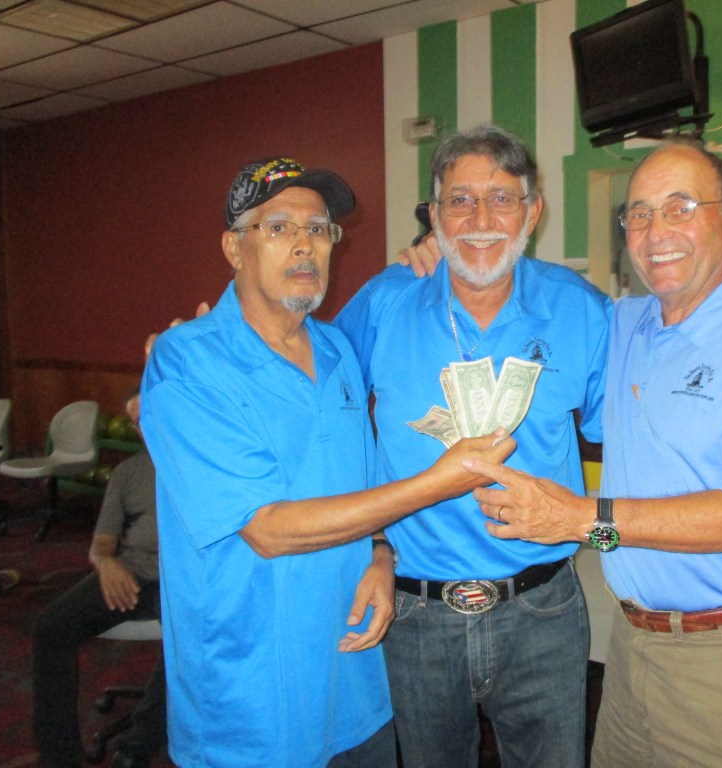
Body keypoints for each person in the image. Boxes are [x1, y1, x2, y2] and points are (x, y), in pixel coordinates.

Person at [465, 139, 722, 767]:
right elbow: (533, 296)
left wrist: (579, 517)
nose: (656, 232)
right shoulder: (626, 325)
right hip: (635, 647)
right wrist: (439, 260)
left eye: (681, 208)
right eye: (639, 214)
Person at [140, 156, 513, 768]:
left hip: (355, 679)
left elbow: (358, 483)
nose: (304, 245)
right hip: (250, 699)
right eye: (278, 227)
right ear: (234, 248)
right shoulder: (187, 362)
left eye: (318, 229)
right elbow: (267, 529)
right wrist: (436, 484)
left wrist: (382, 554)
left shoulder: (338, 348)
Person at [333, 124, 612, 768]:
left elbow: (632, 445)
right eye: (459, 200)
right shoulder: (384, 302)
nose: (480, 220)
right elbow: (316, 408)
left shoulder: (582, 310)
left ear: (533, 213)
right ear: (433, 216)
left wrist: (602, 532)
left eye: (502, 199)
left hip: (543, 609)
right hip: (413, 612)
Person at [32, 391, 166, 768]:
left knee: (188, 638)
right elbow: (102, 543)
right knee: (51, 628)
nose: (145, 426)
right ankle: (59, 758)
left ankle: (136, 747)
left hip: (184, 581)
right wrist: (107, 564)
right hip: (130, 572)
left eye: (151, 414)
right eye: (137, 422)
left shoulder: (202, 464)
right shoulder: (127, 473)